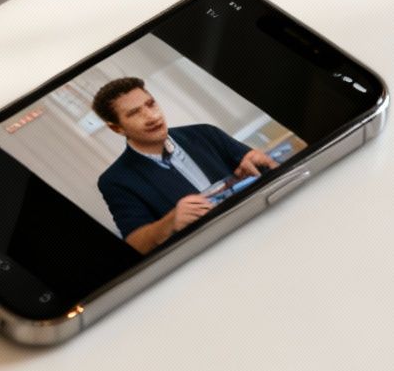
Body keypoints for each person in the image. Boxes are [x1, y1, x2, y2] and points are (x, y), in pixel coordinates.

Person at [91, 76, 278, 254]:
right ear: (117, 128)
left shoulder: (206, 133)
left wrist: (266, 163)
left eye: (150, 104)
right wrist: (169, 222)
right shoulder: (115, 181)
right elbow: (135, 244)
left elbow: (275, 174)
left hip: (266, 229)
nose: (152, 117)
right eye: (134, 113)